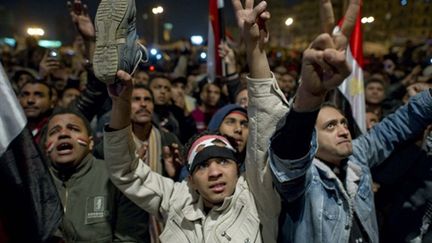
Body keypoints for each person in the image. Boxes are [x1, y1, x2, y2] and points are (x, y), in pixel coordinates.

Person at [101, 0, 286, 241]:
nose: (214, 172)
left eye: (223, 161)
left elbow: (265, 126)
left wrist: (255, 50)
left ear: (237, 167)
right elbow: (125, 170)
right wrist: (121, 104)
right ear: (190, 180)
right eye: (202, 166)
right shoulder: (177, 198)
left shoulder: (256, 197)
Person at [268, 0, 432, 242]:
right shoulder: (301, 179)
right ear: (312, 139)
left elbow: (399, 124)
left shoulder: (358, 156)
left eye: (343, 123)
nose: (343, 130)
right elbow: (290, 153)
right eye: (330, 126)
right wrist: (310, 96)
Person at [43, 108, 149, 242]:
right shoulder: (35, 188)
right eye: (54, 132)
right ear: (46, 147)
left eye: (74, 129)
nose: (63, 134)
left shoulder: (119, 178)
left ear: (91, 142)